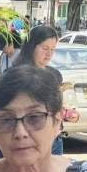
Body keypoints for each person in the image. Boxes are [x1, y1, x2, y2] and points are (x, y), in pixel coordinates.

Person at [14, 25, 68, 154]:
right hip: (26, 140)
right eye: (45, 48)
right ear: (32, 46)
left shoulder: (54, 75)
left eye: (53, 49)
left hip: (53, 140)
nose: (49, 54)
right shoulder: (15, 76)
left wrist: (66, 112)